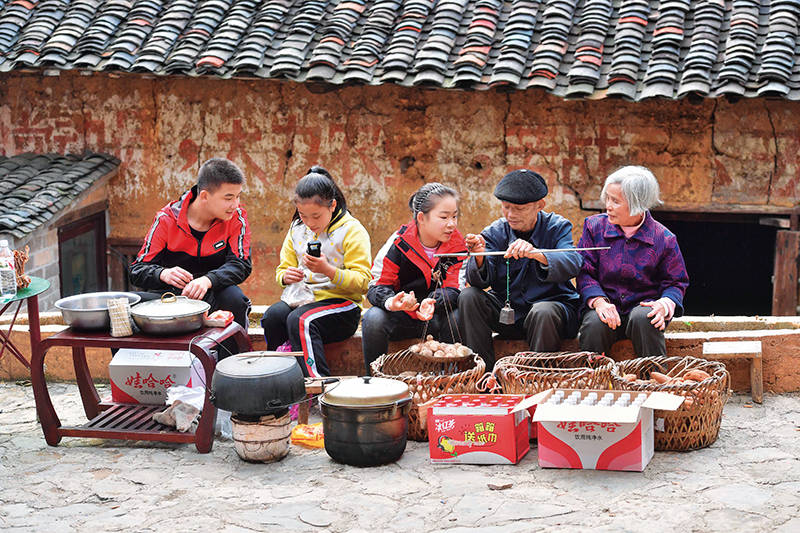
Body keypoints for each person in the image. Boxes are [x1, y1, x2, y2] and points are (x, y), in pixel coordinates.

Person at [458, 169, 582, 369]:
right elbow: (479, 281)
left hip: (549, 316)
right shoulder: (495, 231)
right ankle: (482, 373)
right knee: (468, 296)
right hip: (508, 313)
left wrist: (537, 253)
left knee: (544, 310)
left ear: (540, 205)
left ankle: (536, 378)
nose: (510, 214)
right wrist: (479, 256)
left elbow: (573, 262)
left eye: (518, 208)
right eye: (505, 207)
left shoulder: (557, 227)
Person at [130, 158, 252, 357]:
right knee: (125, 309)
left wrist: (208, 280)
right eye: (229, 197)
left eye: (238, 196)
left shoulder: (237, 218)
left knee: (235, 298)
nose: (235, 204)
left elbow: (241, 265)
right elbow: (137, 270)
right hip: (171, 300)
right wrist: (162, 274)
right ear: (204, 196)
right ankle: (136, 378)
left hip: (215, 297)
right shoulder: (166, 219)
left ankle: (229, 371)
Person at [261, 166, 372, 377]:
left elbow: (364, 282)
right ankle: (278, 379)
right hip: (302, 300)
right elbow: (282, 269)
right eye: (303, 215)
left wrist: (328, 270)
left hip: (343, 307)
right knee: (273, 317)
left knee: (300, 320)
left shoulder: (352, 230)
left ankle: (317, 387)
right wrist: (285, 276)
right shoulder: (297, 229)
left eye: (316, 216)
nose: (310, 223)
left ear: (332, 205)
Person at [577, 166, 689, 357]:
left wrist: (664, 304)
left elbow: (676, 282)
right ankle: (593, 381)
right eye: (607, 198)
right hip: (605, 306)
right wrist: (599, 302)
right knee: (595, 323)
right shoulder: (593, 227)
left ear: (638, 203)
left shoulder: (664, 238)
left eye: (616, 201)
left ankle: (654, 381)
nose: (608, 206)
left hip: (642, 308)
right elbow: (585, 271)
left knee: (645, 318)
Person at [362, 183, 467, 371]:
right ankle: (374, 377)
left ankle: (451, 378)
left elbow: (455, 288)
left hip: (435, 317)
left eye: (454, 216)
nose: (451, 224)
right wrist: (392, 302)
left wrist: (431, 301)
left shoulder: (458, 246)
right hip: (400, 318)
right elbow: (377, 286)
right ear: (421, 218)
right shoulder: (399, 243)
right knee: (373, 318)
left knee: (457, 315)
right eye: (444, 217)